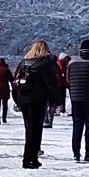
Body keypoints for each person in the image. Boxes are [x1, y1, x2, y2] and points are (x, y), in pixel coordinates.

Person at [13, 38, 63, 169]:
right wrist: (58, 99)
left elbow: (15, 81)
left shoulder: (24, 62)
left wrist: (16, 100)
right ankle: (29, 159)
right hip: (37, 100)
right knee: (35, 130)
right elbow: (50, 83)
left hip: (23, 99)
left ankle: (31, 158)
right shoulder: (44, 63)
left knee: (29, 129)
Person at [64, 38, 89, 164]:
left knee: (77, 125)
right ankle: (88, 154)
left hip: (75, 98)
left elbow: (68, 80)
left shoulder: (71, 63)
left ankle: (76, 154)